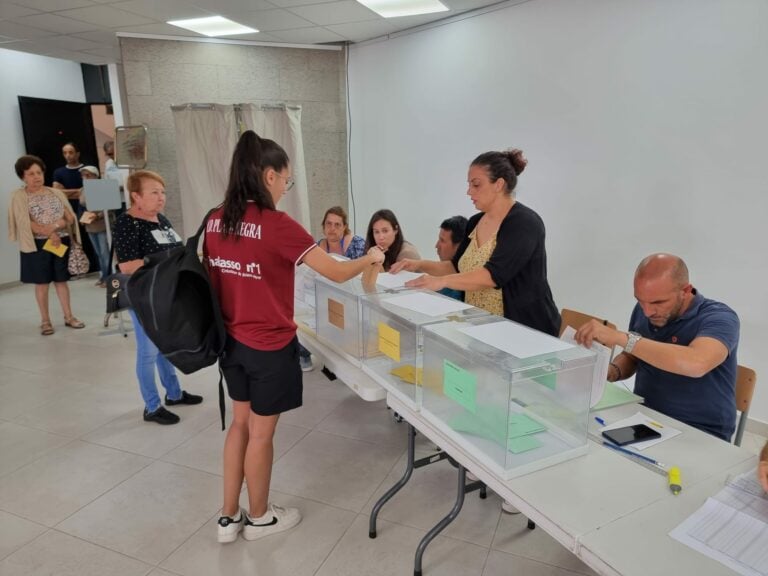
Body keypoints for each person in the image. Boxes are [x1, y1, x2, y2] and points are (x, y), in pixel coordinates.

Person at [203, 130, 384, 544]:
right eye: (287, 179)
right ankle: (261, 517)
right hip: (268, 346)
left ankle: (228, 518)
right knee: (262, 435)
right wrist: (370, 258)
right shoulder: (276, 225)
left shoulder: (215, 218)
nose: (287, 188)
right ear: (269, 176)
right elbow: (337, 271)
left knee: (240, 425)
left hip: (230, 343)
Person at [391, 149, 560, 336]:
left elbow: (492, 276)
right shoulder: (474, 222)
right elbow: (457, 267)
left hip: (523, 330)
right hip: (482, 328)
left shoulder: (524, 223)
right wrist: (418, 264)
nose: (469, 191)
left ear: (499, 184)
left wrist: (440, 281)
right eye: (469, 185)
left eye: (476, 185)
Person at [575, 254, 740, 442]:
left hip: (702, 430)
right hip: (645, 418)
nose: (647, 311)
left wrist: (621, 338)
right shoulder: (646, 310)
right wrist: (610, 372)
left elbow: (696, 363)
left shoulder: (720, 318)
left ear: (685, 291)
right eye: (640, 300)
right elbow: (634, 356)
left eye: (657, 303)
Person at [113, 170, 203, 425]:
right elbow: (127, 266)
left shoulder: (161, 220)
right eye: (154, 192)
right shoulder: (127, 223)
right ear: (136, 196)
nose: (161, 197)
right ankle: (152, 407)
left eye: (162, 192)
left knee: (165, 344)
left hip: (165, 293)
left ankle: (173, 394)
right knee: (148, 351)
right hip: (142, 295)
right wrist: (164, 259)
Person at [7, 155, 85, 335]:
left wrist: (56, 227)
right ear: (22, 176)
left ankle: (69, 316)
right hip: (38, 246)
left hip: (61, 242)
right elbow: (24, 222)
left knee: (61, 281)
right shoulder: (19, 196)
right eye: (31, 173)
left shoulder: (55, 192)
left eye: (39, 172)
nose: (36, 177)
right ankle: (45, 321)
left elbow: (69, 217)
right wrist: (50, 233)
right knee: (42, 284)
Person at [78, 166, 111, 287]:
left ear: (96, 176)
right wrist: (81, 218)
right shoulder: (83, 190)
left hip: (101, 224)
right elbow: (81, 207)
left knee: (104, 252)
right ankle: (103, 276)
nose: (85, 178)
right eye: (83, 175)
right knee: (98, 253)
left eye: (88, 175)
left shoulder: (102, 187)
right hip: (89, 225)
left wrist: (98, 216)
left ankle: (109, 278)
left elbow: (109, 207)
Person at [435, 215, 467, 300]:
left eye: (442, 240)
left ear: (458, 246)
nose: (436, 246)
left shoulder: (461, 287)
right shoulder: (438, 275)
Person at [52, 142, 85, 214]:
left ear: (77, 154)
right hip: (68, 210)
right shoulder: (58, 172)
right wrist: (80, 191)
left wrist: (66, 193)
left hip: (86, 210)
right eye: (65, 153)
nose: (67, 155)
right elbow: (57, 193)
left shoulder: (87, 170)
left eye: (71, 152)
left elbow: (90, 193)